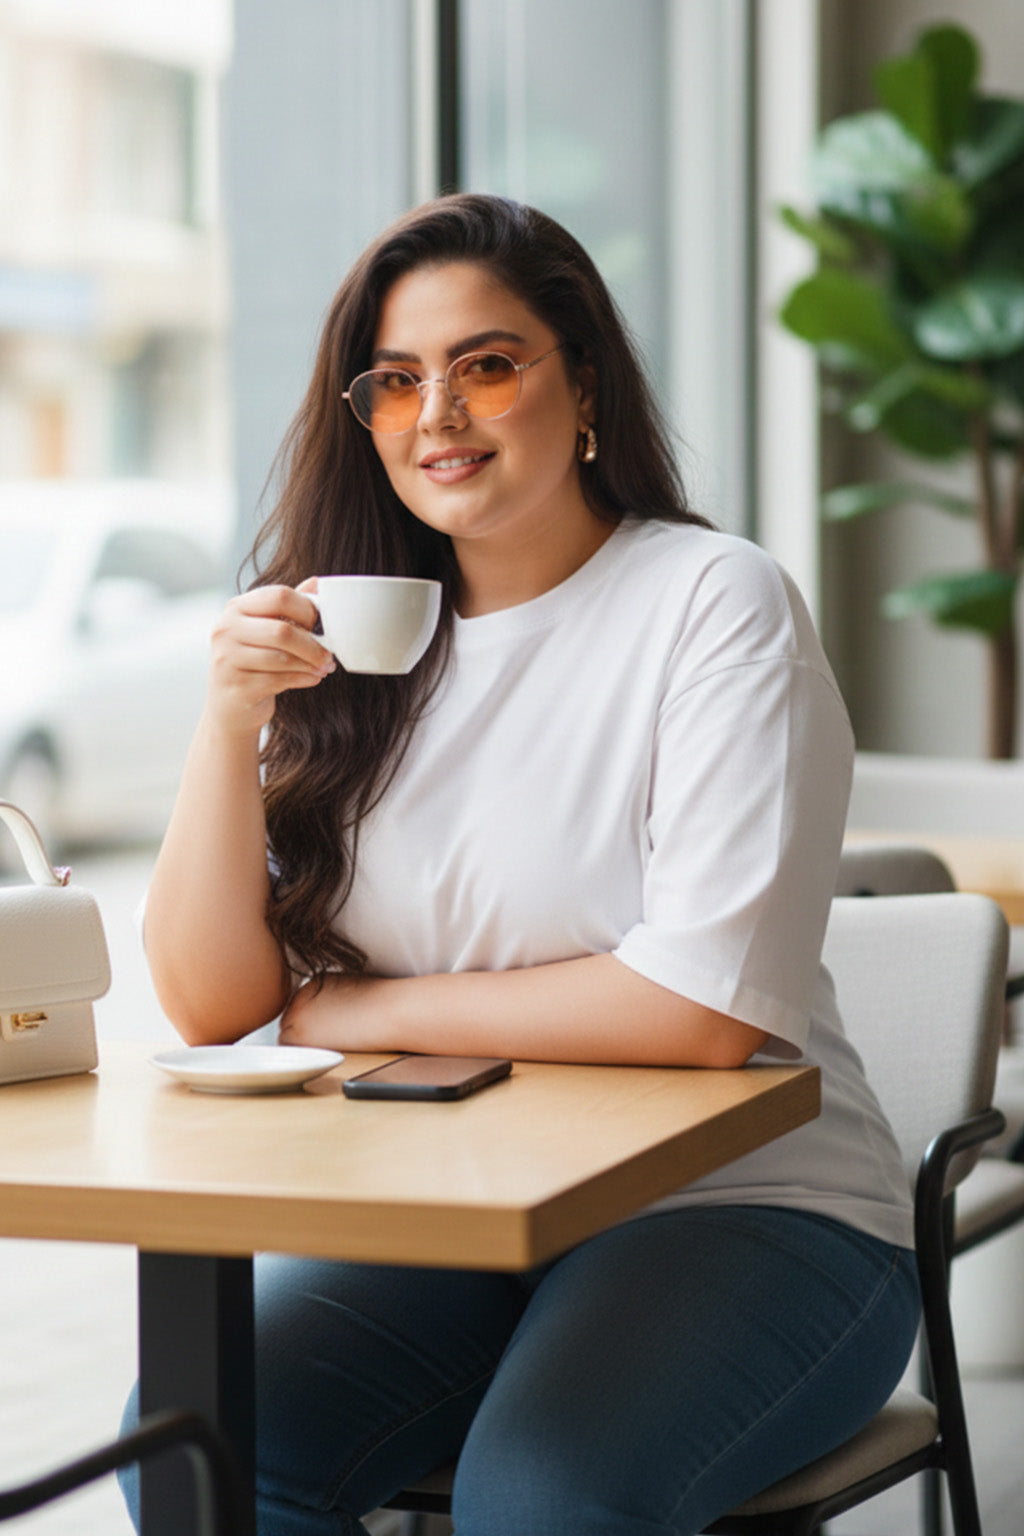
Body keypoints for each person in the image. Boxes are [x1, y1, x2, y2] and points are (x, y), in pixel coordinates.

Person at [121, 193, 919, 1536]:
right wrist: (227, 723)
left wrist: (354, 1010)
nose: (437, 415)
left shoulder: (711, 603)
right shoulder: (346, 644)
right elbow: (210, 1006)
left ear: (584, 384)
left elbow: (701, 1013)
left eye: (486, 365)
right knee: (197, 1447)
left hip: (756, 1210)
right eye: (395, 381)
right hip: (457, 1215)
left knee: (545, 1497)